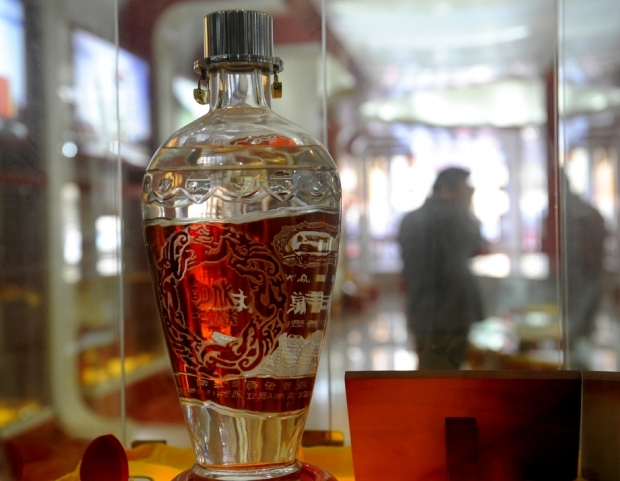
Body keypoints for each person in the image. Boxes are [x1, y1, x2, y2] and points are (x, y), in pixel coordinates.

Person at [397, 167, 485, 370]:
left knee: (428, 367)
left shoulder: (409, 219)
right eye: (465, 189)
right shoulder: (459, 216)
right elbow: (477, 244)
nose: (469, 194)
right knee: (450, 371)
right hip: (454, 313)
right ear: (447, 189)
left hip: (421, 310)